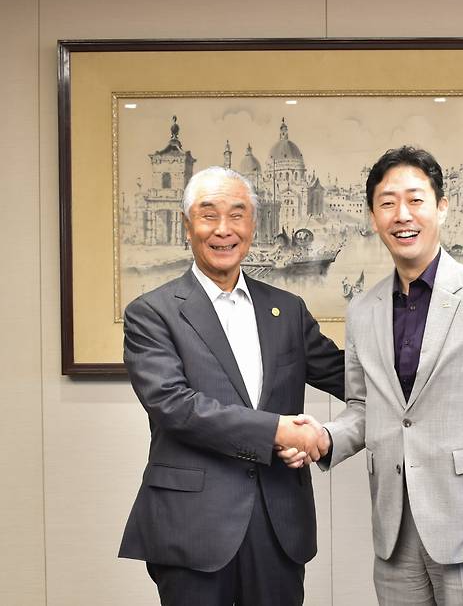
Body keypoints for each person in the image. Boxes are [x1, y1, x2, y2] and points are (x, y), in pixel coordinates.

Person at [281, 146, 463, 605]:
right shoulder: (363, 310)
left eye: (416, 200)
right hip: (394, 527)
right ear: (373, 216)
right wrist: (323, 437)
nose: (402, 215)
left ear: (441, 207)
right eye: (387, 203)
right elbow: (366, 408)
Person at [119, 166, 343, 606]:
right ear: (188, 226)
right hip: (193, 525)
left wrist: (432, 370)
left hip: (279, 523)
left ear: (253, 225)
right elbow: (174, 405)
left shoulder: (288, 309)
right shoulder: (152, 313)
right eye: (208, 215)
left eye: (237, 215)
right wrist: (279, 431)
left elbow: (350, 375)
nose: (224, 229)